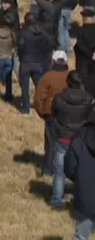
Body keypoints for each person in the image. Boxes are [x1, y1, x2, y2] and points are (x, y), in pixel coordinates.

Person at [49, 70, 93, 209]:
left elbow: (53, 114)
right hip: (80, 140)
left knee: (59, 172)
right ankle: (80, 199)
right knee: (81, 171)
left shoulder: (59, 98)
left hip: (63, 138)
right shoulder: (88, 99)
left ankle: (57, 201)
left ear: (67, 82)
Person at [64, 101, 95, 239]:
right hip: (85, 200)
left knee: (81, 236)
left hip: (84, 199)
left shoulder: (79, 136)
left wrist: (80, 179)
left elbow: (69, 168)